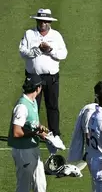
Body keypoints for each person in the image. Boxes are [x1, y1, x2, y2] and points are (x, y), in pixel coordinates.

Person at [8, 75, 49, 192]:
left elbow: (31, 123)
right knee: (24, 188)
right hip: (23, 151)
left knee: (40, 183)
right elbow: (17, 132)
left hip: (32, 148)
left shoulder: (31, 102)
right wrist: (35, 133)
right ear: (37, 89)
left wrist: (41, 130)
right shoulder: (22, 106)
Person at [18, 8, 68, 140]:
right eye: (40, 21)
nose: (42, 23)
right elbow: (22, 52)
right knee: (32, 106)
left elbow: (63, 54)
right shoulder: (29, 34)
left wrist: (50, 50)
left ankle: (55, 134)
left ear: (49, 22)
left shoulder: (56, 36)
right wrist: (38, 50)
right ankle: (31, 133)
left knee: (52, 105)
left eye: (45, 21)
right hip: (33, 77)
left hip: (51, 77)